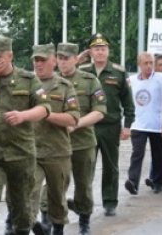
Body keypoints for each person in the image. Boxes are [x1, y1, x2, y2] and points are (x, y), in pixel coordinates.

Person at [0, 36, 51, 235]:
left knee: (21, 204)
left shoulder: (28, 79)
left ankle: (23, 230)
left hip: (21, 153)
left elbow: (45, 108)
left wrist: (23, 115)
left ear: (10, 56)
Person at [81, 33, 135, 216]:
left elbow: (128, 102)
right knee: (86, 165)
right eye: (96, 49)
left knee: (110, 166)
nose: (100, 52)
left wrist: (127, 125)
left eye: (103, 49)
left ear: (108, 51)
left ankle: (110, 201)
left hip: (110, 126)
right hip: (87, 126)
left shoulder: (118, 73)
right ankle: (84, 202)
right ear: (90, 52)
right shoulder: (83, 71)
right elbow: (62, 77)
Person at [57, 43, 106, 235]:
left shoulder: (89, 80)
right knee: (54, 185)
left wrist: (76, 123)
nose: (62, 62)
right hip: (56, 144)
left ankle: (84, 221)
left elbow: (100, 111)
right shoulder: (49, 82)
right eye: (59, 58)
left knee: (83, 186)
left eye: (66, 58)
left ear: (75, 59)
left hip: (83, 143)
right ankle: (51, 222)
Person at [31, 43, 80, 235]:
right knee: (29, 192)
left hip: (57, 151)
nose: (39, 64)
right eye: (36, 60)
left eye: (43, 60)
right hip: (31, 150)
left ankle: (57, 229)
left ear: (54, 61)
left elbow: (73, 118)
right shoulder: (26, 84)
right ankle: (29, 224)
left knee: (57, 197)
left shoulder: (65, 86)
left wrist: (46, 114)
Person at [125, 52, 162, 195]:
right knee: (137, 152)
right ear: (139, 65)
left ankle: (157, 182)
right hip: (138, 122)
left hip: (155, 122)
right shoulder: (131, 81)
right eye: (146, 63)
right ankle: (133, 182)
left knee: (158, 153)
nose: (149, 66)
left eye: (151, 63)